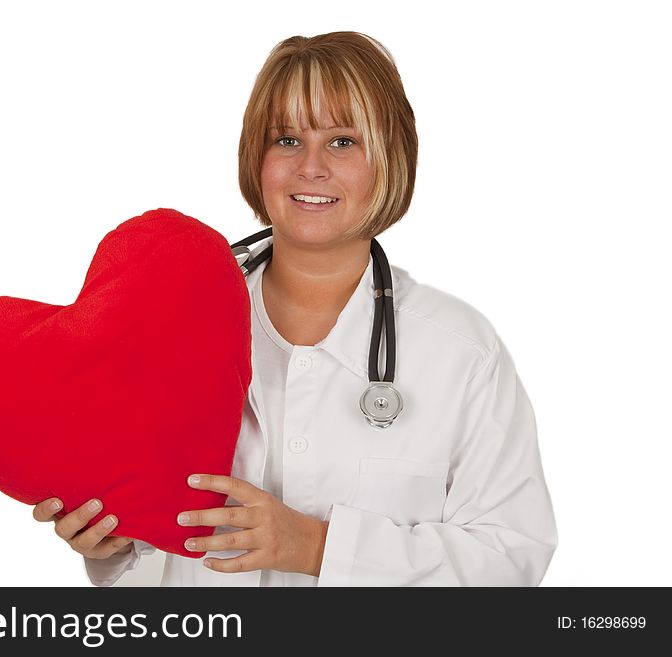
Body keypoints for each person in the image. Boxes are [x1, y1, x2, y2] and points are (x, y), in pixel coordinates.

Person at [33, 31, 558, 586]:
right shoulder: (166, 322)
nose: (310, 166)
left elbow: (509, 562)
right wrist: (111, 545)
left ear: (391, 159)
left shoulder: (459, 352)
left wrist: (317, 547)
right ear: (255, 158)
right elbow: (145, 548)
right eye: (286, 139)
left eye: (342, 142)